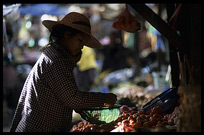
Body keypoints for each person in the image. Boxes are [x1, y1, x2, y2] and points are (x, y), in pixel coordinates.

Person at [10, 12, 117, 132]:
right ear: (67, 34)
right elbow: (72, 98)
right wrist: (104, 98)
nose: (81, 47)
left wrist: (81, 107)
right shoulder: (58, 59)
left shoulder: (53, 53)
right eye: (80, 41)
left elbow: (64, 95)